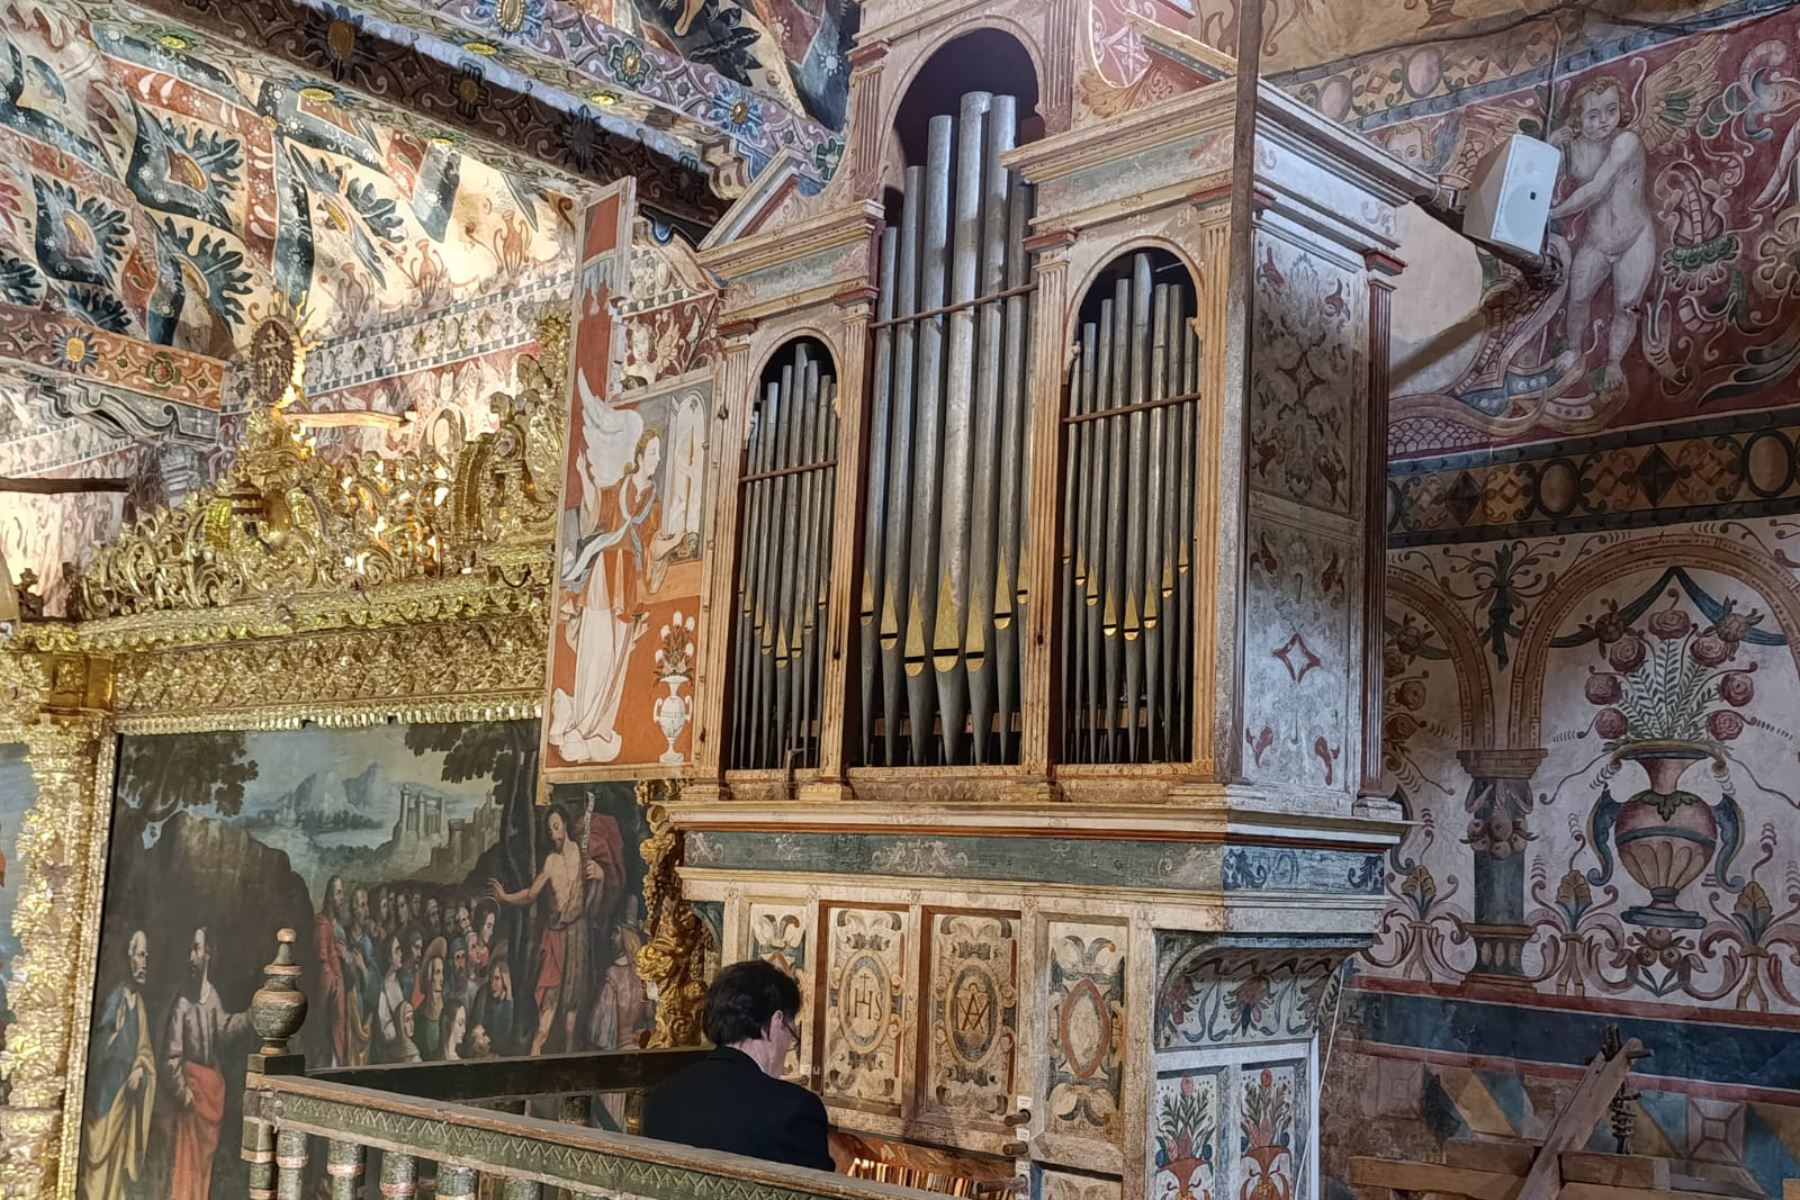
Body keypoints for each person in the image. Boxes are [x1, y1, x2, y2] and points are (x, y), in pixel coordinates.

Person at [640, 959, 832, 1172]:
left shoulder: (660, 1098)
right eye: (790, 1032)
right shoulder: (795, 1110)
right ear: (775, 1023)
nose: (788, 1046)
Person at [487, 805, 602, 1054]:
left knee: (572, 1020)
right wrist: (505, 897)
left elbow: (595, 897)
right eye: (549, 829)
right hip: (557, 938)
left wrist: (600, 876)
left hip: (578, 937)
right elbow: (530, 894)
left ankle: (567, 1079)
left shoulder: (583, 856)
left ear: (565, 824)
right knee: (544, 1019)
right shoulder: (550, 862)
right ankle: (534, 1063)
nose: (553, 833)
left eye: (556, 825)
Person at [164, 926, 251, 1200]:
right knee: (185, 1171)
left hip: (210, 1096)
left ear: (208, 955)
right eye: (191, 949)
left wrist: (250, 1017)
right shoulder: (182, 1005)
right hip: (191, 1098)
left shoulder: (211, 996)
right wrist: (183, 1092)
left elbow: (223, 1029)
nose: (191, 957)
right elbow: (171, 1057)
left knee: (204, 1171)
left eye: (197, 949)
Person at [84, 931, 155, 1200]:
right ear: (129, 957)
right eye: (140, 954)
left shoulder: (140, 1005)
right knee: (97, 1171)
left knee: (115, 1179)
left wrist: (140, 1068)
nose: (145, 962)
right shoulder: (116, 998)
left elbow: (144, 1051)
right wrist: (111, 1035)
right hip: (106, 1099)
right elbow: (99, 1048)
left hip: (124, 1102)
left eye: (147, 955)